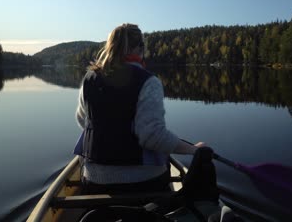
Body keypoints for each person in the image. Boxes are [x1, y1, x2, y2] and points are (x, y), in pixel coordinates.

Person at [75, 23, 204, 194]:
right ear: (140, 48)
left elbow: (82, 120)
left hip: (95, 180)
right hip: (143, 182)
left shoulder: (89, 79)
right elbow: (152, 137)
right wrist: (194, 150)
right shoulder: (149, 82)